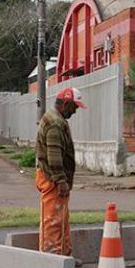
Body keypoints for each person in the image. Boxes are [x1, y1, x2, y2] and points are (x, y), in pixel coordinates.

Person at [35, 87, 86, 256]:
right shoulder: (55, 123)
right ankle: (52, 257)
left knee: (61, 218)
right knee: (53, 220)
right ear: (65, 104)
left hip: (54, 178)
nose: (75, 111)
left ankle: (63, 255)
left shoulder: (57, 120)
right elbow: (54, 155)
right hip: (53, 179)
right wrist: (61, 181)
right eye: (74, 107)